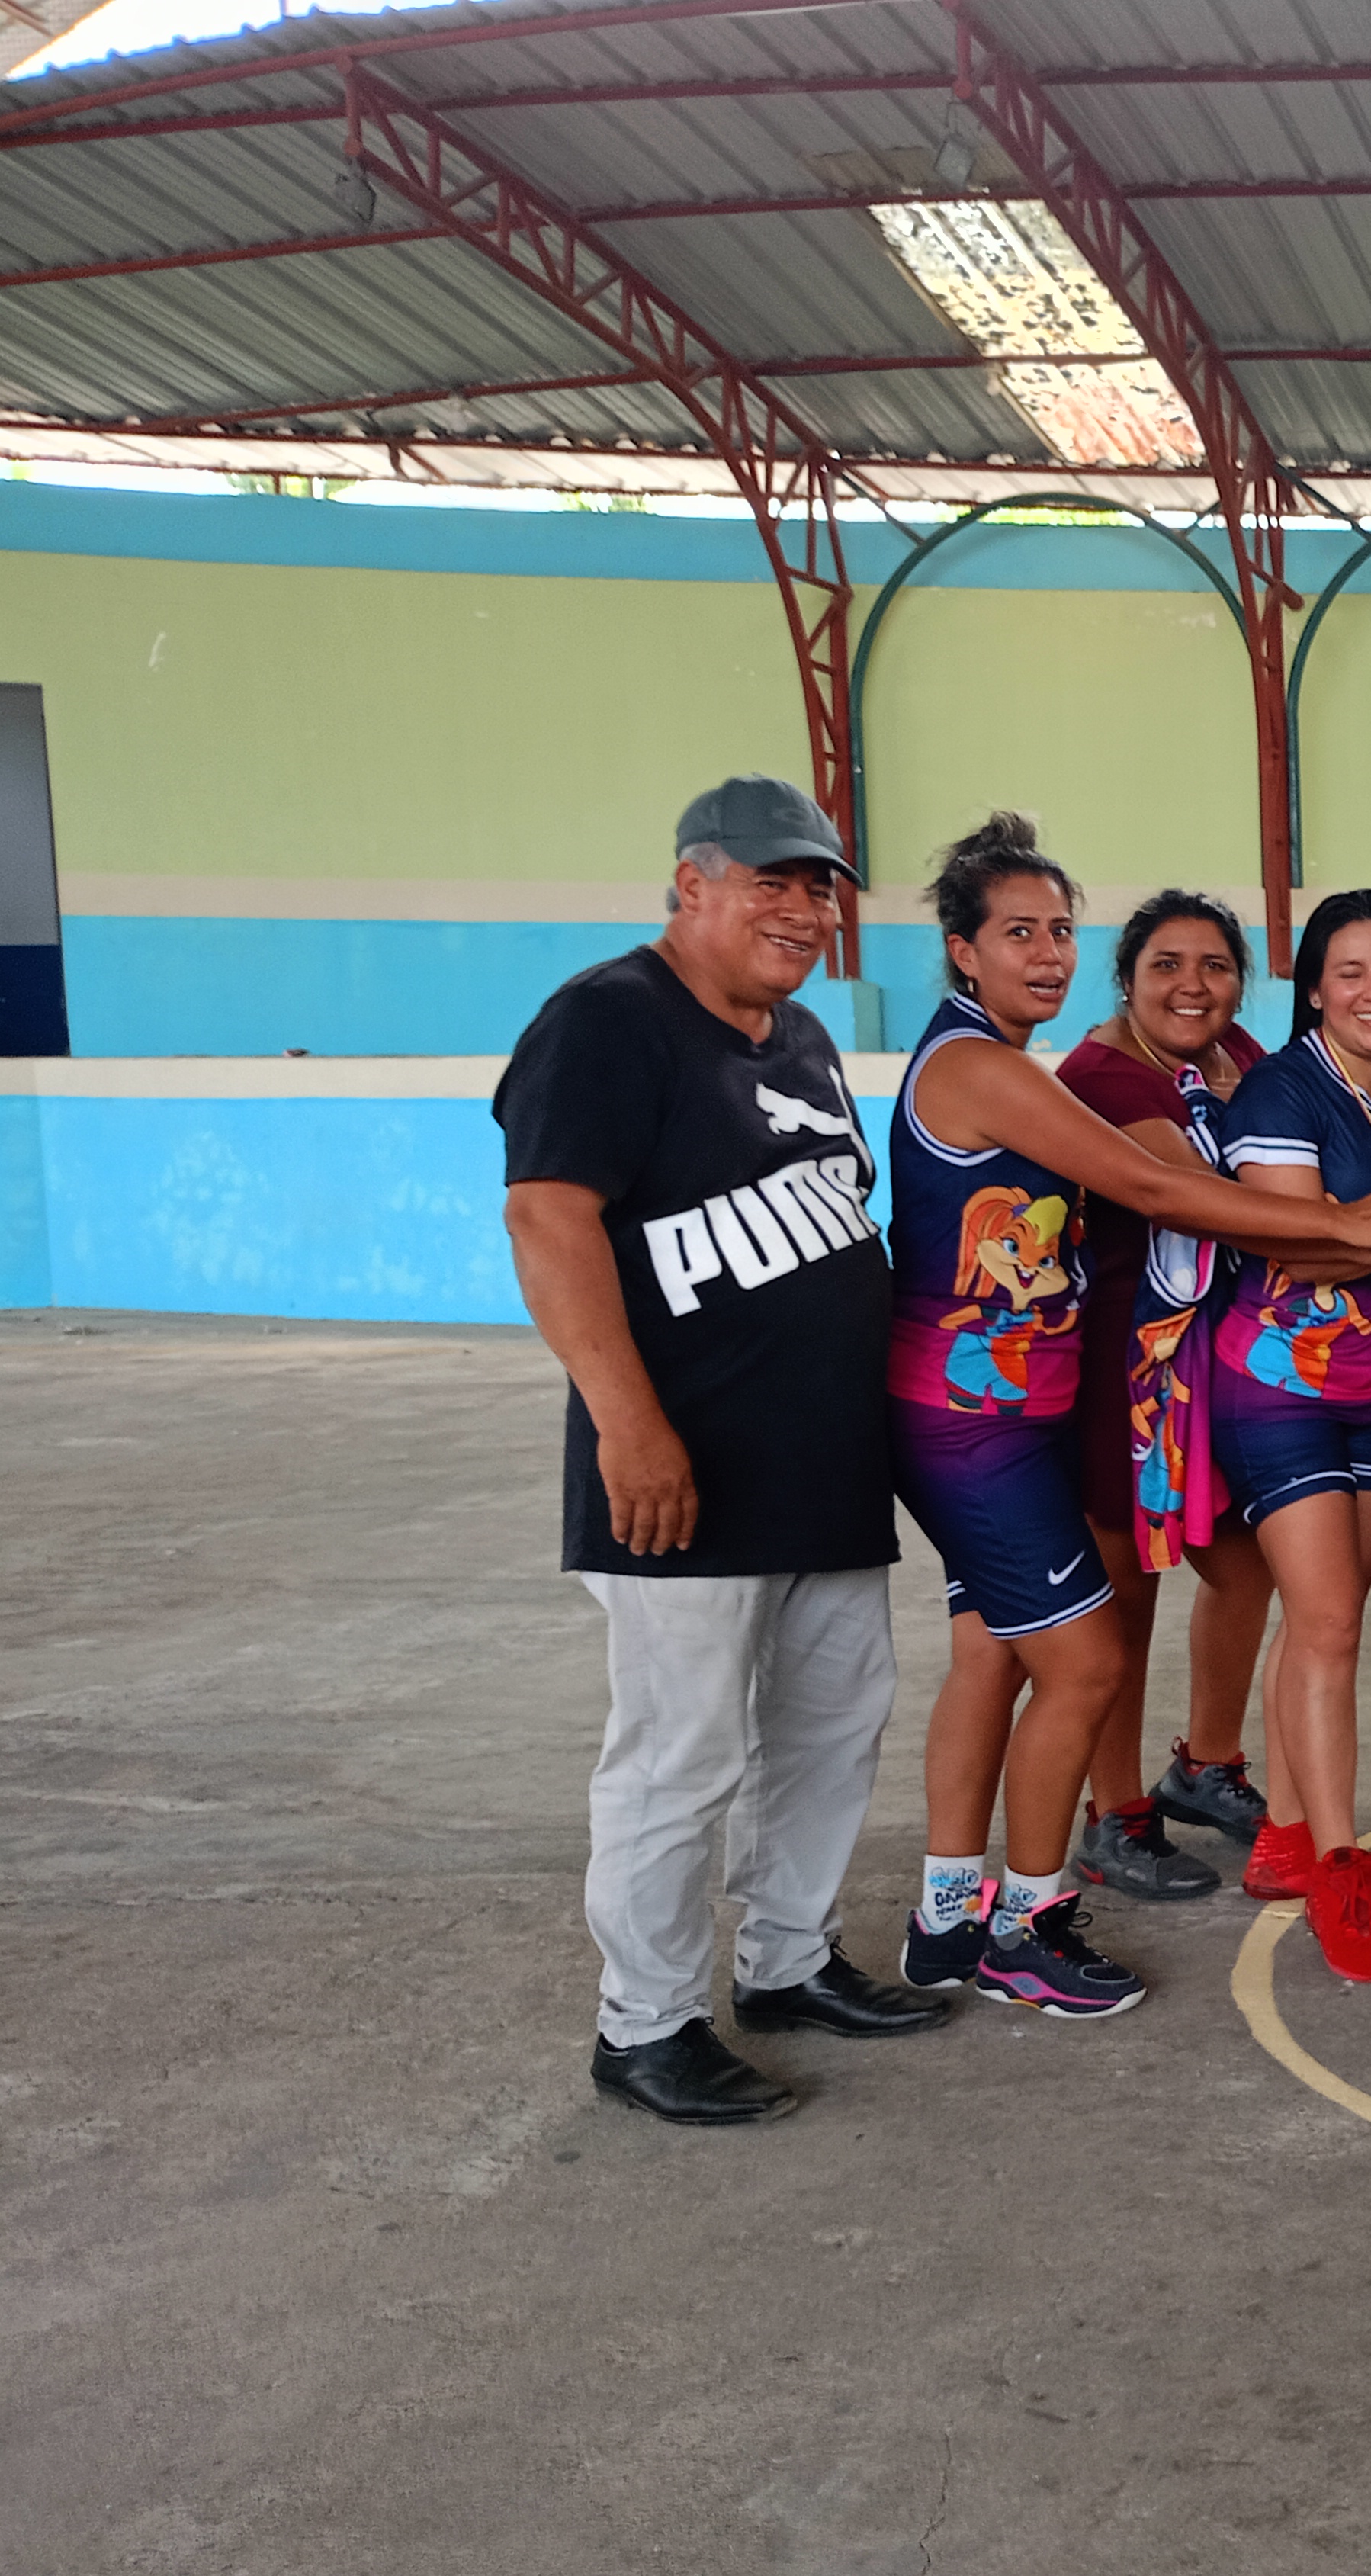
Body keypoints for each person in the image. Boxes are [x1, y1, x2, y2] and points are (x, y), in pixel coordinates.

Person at [884, 826, 1371, 2018]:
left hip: (1038, 1401)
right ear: (963, 951)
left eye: (1057, 930)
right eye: (1018, 934)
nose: (1045, 953)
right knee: (1090, 1654)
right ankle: (1030, 1918)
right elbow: (1154, 1187)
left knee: (996, 1653)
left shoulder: (1172, 1059)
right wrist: (1347, 1224)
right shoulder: (992, 1069)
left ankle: (947, 1917)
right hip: (990, 1414)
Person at [496, 774, 949, 2128]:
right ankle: (645, 2026)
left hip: (821, 1468)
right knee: (679, 1758)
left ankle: (788, 1961)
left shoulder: (800, 1037)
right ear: (691, 884)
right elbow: (547, 1220)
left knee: (831, 1731)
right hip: (679, 1480)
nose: (802, 909)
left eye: (818, 886)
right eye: (770, 882)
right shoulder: (608, 1019)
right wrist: (629, 1424)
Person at [1210, 888, 1371, 1983]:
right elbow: (1296, 1246)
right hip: (1280, 1387)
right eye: (1350, 972)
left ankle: (1281, 1836)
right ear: (1314, 989)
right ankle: (1333, 1865)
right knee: (1328, 1626)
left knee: (1325, 1621)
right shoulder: (1281, 1087)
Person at [1053, 890, 1277, 1900]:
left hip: (1214, 1362)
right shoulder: (1102, 1075)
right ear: (1127, 979)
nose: (1194, 985)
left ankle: (1205, 1766)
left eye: (1215, 965)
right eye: (1167, 966)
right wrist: (1353, 1223)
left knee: (1245, 1566)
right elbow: (1203, 1196)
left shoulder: (1238, 1056)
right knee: (1123, 1595)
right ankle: (1114, 1815)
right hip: (1127, 1367)